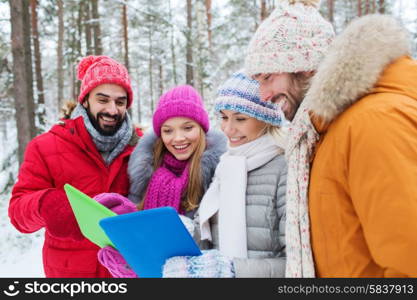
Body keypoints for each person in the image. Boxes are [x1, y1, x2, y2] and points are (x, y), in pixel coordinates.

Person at [246, 1, 417, 277]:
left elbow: (409, 261)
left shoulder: (373, 123)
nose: (263, 94)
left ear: (305, 68)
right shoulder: (324, 136)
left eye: (268, 77)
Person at [8, 55, 142, 278]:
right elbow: (18, 214)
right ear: (85, 99)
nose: (112, 110)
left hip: (126, 273)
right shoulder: (45, 146)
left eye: (120, 102)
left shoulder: (142, 149)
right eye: (103, 99)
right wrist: (45, 204)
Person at [162, 72, 287, 278]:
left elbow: (297, 263)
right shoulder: (227, 165)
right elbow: (212, 241)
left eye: (240, 118)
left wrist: (231, 270)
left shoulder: (284, 168)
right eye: (224, 117)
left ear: (266, 119)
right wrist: (183, 232)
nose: (228, 129)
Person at [97, 84, 227, 277]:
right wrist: (126, 257)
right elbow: (141, 236)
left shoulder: (219, 172)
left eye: (188, 127)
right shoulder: (146, 172)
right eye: (168, 131)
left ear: (202, 128)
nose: (178, 138)